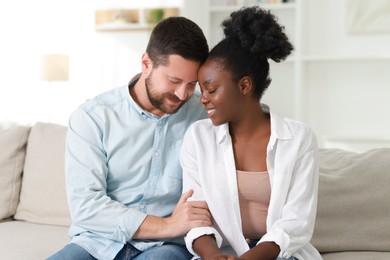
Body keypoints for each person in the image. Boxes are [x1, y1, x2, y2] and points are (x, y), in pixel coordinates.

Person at [48, 17, 212, 260]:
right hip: (98, 242)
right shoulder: (93, 118)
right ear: (146, 63)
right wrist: (167, 224)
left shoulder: (204, 116)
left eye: (191, 84)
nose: (182, 94)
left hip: (166, 247)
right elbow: (87, 207)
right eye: (174, 81)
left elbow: (255, 118)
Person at [180, 6, 322, 260]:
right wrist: (212, 255)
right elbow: (195, 214)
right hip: (219, 253)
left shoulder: (299, 138)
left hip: (280, 255)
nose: (203, 99)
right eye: (202, 90)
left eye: (211, 90)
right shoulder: (198, 138)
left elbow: (296, 221)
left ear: (244, 85)